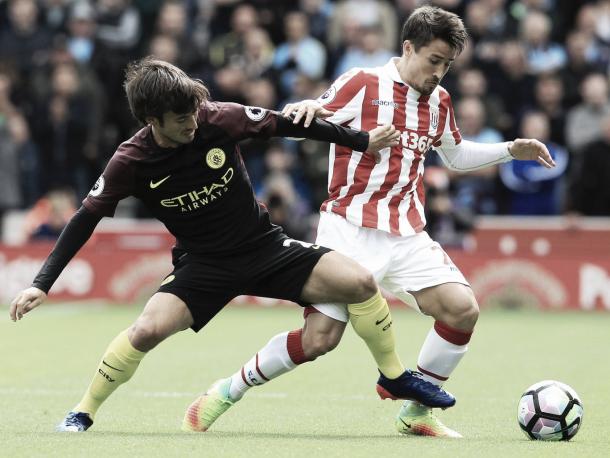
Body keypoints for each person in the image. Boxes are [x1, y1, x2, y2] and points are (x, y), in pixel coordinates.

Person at [9, 57, 456, 433]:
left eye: (193, 112)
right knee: (145, 330)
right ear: (152, 121)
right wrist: (42, 283)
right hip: (203, 265)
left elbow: (286, 124)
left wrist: (359, 140)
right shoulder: (131, 159)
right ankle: (83, 411)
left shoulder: (216, 118)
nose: (192, 123)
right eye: (181, 118)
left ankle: (395, 376)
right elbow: (84, 219)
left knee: (359, 282)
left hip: (264, 246)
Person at [195, 6, 555, 438]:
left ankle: (417, 414)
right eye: (434, 60)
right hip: (349, 229)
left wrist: (510, 148)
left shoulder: (439, 101)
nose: (439, 72)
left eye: (448, 64)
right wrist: (304, 108)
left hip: (406, 233)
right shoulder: (363, 84)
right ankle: (227, 390)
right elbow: (300, 124)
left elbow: (455, 154)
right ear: (408, 47)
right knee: (320, 339)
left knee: (462, 310)